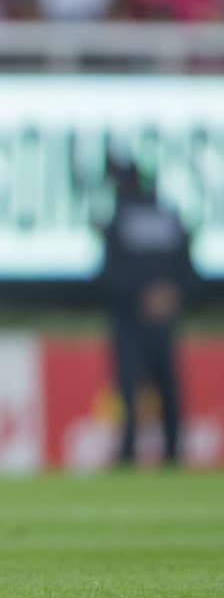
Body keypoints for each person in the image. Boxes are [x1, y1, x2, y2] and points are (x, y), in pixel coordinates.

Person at [99, 157, 195, 467]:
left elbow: (109, 274)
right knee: (162, 389)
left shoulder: (120, 220)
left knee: (136, 390)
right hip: (150, 319)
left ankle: (132, 455)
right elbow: (189, 272)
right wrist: (169, 293)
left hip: (135, 320)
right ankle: (170, 455)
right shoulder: (170, 219)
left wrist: (148, 296)